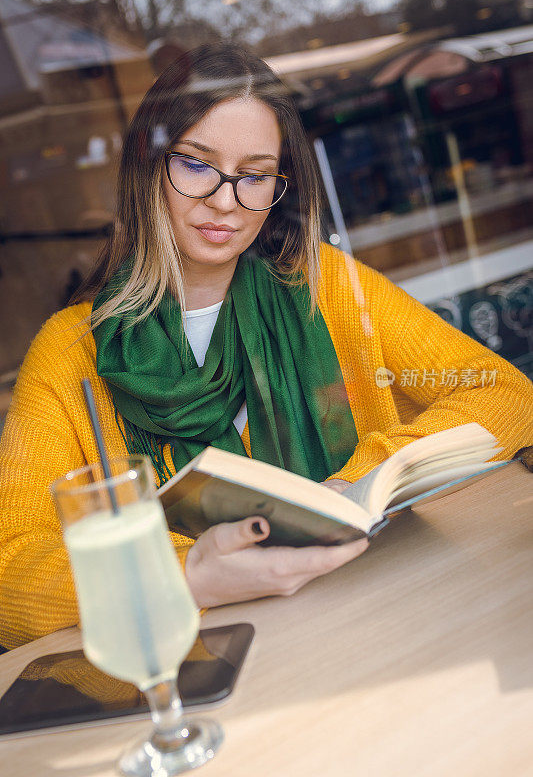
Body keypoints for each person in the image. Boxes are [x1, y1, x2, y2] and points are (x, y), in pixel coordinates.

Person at [0, 44, 531, 651]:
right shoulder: (71, 355)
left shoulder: (326, 287)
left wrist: (350, 485)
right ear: (148, 167)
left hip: (378, 620)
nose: (226, 200)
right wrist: (190, 571)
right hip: (213, 661)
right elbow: (8, 576)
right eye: (197, 164)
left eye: (254, 175)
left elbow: (505, 393)